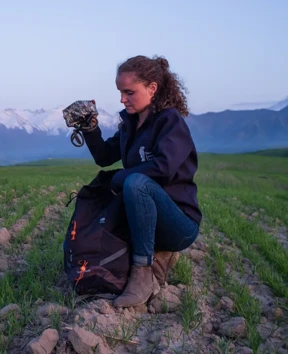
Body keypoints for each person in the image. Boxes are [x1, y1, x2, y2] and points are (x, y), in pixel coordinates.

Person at [81, 55, 202, 308]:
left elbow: (163, 168)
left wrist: (120, 179)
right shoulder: (130, 124)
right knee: (117, 186)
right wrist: (89, 128)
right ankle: (155, 257)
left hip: (179, 224)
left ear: (152, 88)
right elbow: (104, 157)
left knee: (135, 182)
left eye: (129, 92)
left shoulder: (170, 122)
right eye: (120, 92)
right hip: (146, 219)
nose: (122, 99)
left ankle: (143, 276)